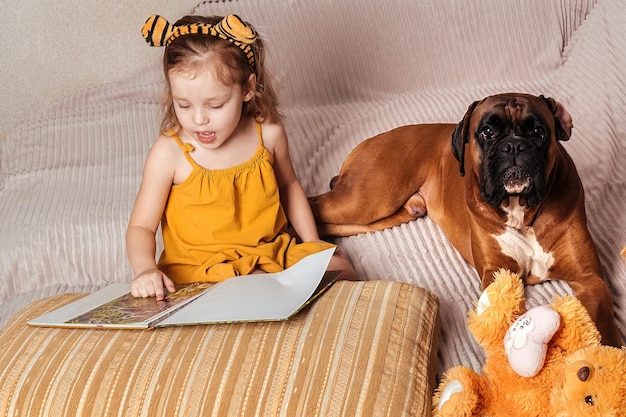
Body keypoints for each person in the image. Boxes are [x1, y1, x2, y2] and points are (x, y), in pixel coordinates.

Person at [127, 14, 357, 300]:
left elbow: (289, 187)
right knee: (256, 288)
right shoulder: (169, 152)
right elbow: (141, 227)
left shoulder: (268, 133)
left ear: (248, 89)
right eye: (183, 104)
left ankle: (281, 287)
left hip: (269, 254)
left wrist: (312, 244)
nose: (199, 119)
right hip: (201, 269)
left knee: (343, 269)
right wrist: (145, 268)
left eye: (216, 105)